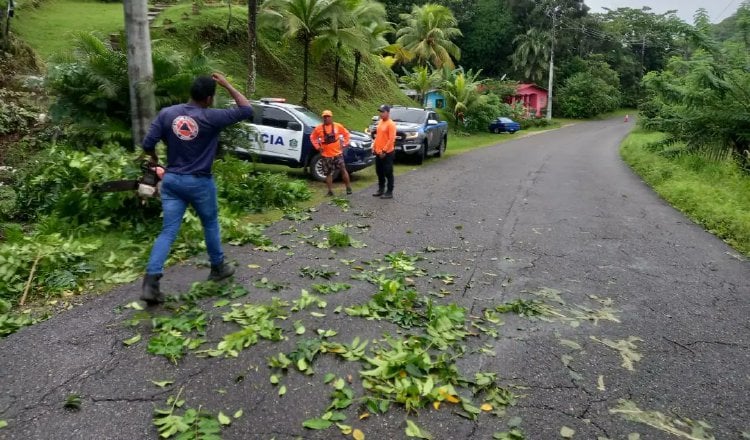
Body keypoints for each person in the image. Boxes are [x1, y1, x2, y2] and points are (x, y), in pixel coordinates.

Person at [139, 73, 253, 305]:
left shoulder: (167, 114)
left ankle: (151, 282)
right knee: (209, 223)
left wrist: (155, 160)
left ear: (191, 92)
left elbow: (147, 144)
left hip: (172, 181)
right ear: (209, 99)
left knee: (168, 231)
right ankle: (218, 267)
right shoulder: (212, 117)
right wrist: (228, 84)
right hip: (199, 182)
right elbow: (246, 109)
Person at [310, 110, 352, 196]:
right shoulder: (319, 128)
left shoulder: (337, 126)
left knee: (343, 170)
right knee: (328, 173)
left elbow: (346, 134)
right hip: (326, 155)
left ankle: (348, 188)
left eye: (327, 116)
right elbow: (312, 137)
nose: (326, 118)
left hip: (337, 154)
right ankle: (330, 191)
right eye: (324, 117)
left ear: (331, 117)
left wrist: (345, 144)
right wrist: (317, 147)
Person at [372, 104, 397, 199]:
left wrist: (384, 151)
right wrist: (374, 146)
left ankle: (389, 191)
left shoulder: (391, 124)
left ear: (388, 112)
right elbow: (378, 136)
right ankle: (381, 189)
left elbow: (391, 140)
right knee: (379, 171)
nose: (381, 113)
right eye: (380, 111)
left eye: (383, 112)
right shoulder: (380, 122)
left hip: (387, 153)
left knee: (388, 172)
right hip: (378, 152)